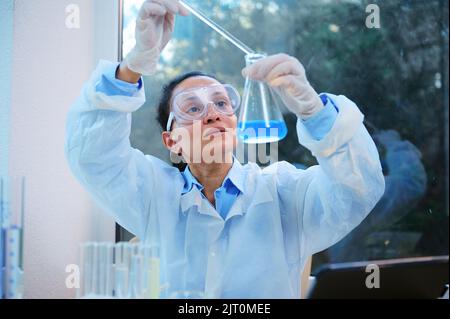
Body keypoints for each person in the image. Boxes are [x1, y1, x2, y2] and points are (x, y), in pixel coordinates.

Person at [65, 0, 385, 298]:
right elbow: (94, 155)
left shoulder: (284, 193)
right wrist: (133, 65)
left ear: (235, 125)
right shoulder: (151, 194)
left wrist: (315, 111)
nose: (214, 113)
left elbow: (358, 190)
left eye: (221, 102)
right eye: (192, 108)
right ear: (172, 141)